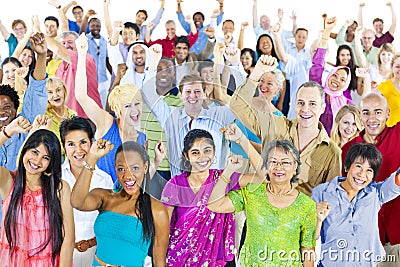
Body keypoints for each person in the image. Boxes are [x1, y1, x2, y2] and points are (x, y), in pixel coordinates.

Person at [231, 55, 341, 196]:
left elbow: (331, 198)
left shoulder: (332, 152)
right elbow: (237, 106)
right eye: (301, 103)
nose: (305, 109)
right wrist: (257, 73)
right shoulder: (278, 126)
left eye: (312, 104)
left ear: (322, 108)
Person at [208, 130, 316, 266]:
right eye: (273, 162)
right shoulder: (252, 192)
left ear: (295, 167)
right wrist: (228, 172)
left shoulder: (307, 205)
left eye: (285, 162)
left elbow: (308, 251)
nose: (279, 167)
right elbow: (214, 205)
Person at [70, 139, 169, 266]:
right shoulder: (104, 197)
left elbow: (159, 262)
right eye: (121, 169)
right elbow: (77, 202)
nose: (128, 176)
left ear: (145, 168)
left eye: (134, 168)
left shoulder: (156, 209)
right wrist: (92, 158)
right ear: (115, 168)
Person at [142, 44, 236, 177]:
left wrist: (234, 64)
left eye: (197, 91)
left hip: (213, 191)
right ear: (180, 95)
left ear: (204, 94)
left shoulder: (217, 116)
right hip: (180, 191)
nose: (192, 96)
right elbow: (148, 94)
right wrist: (153, 62)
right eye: (188, 92)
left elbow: (240, 105)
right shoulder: (171, 116)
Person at [0, 118, 74, 266]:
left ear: (51, 163)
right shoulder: (9, 182)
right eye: (34, 152)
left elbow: (69, 239)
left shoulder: (60, 188)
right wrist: (9, 130)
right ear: (25, 149)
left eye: (45, 157)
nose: (37, 160)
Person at [313, 143, 400, 266]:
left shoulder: (375, 194)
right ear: (347, 167)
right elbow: (310, 238)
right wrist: (317, 219)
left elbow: (396, 182)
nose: (362, 174)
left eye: (369, 170)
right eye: (358, 166)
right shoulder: (321, 193)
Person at [74, 33, 147, 182]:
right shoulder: (107, 123)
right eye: (128, 105)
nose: (134, 110)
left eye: (137, 104)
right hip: (102, 198)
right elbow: (81, 96)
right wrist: (82, 55)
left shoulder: (142, 137)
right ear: (118, 109)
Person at [161, 129, 239, 266]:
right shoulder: (175, 185)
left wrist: (242, 140)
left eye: (207, 150)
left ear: (215, 152)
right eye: (195, 152)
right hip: (180, 260)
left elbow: (263, 177)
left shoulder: (225, 177)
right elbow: (163, 230)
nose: (202, 157)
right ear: (186, 155)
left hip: (215, 261)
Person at [341, 92, 400, 266]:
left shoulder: (398, 134)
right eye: (366, 112)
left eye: (378, 112)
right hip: (365, 240)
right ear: (360, 115)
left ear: (388, 113)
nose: (372, 118)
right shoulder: (348, 149)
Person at [60, 116, 113, 266]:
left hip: (97, 253)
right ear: (64, 147)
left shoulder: (104, 179)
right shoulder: (55, 178)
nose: (78, 150)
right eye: (71, 144)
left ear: (92, 143)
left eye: (83, 142)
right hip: (63, 254)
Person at [0, 32, 49, 171]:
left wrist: (41, 56)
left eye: (7, 107)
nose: (2, 112)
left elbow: (37, 90)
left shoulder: (24, 125)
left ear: (16, 111)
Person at [309, 17, 353, 134]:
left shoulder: (347, 104)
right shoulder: (318, 91)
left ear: (345, 84)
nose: (337, 80)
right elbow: (317, 65)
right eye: (335, 75)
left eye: (342, 79)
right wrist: (326, 34)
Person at [45, 30, 102, 118]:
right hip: (70, 118)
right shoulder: (60, 67)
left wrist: (37, 31)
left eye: (70, 42)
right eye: (63, 43)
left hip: (88, 117)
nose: (66, 45)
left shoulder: (85, 58)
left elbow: (59, 50)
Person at [45, 77, 77, 148]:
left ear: (64, 91)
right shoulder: (44, 116)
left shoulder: (73, 114)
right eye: (50, 92)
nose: (55, 95)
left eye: (58, 90)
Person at [377, 53, 400, 127]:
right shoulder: (385, 86)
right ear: (392, 67)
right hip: (392, 133)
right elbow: (368, 101)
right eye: (397, 66)